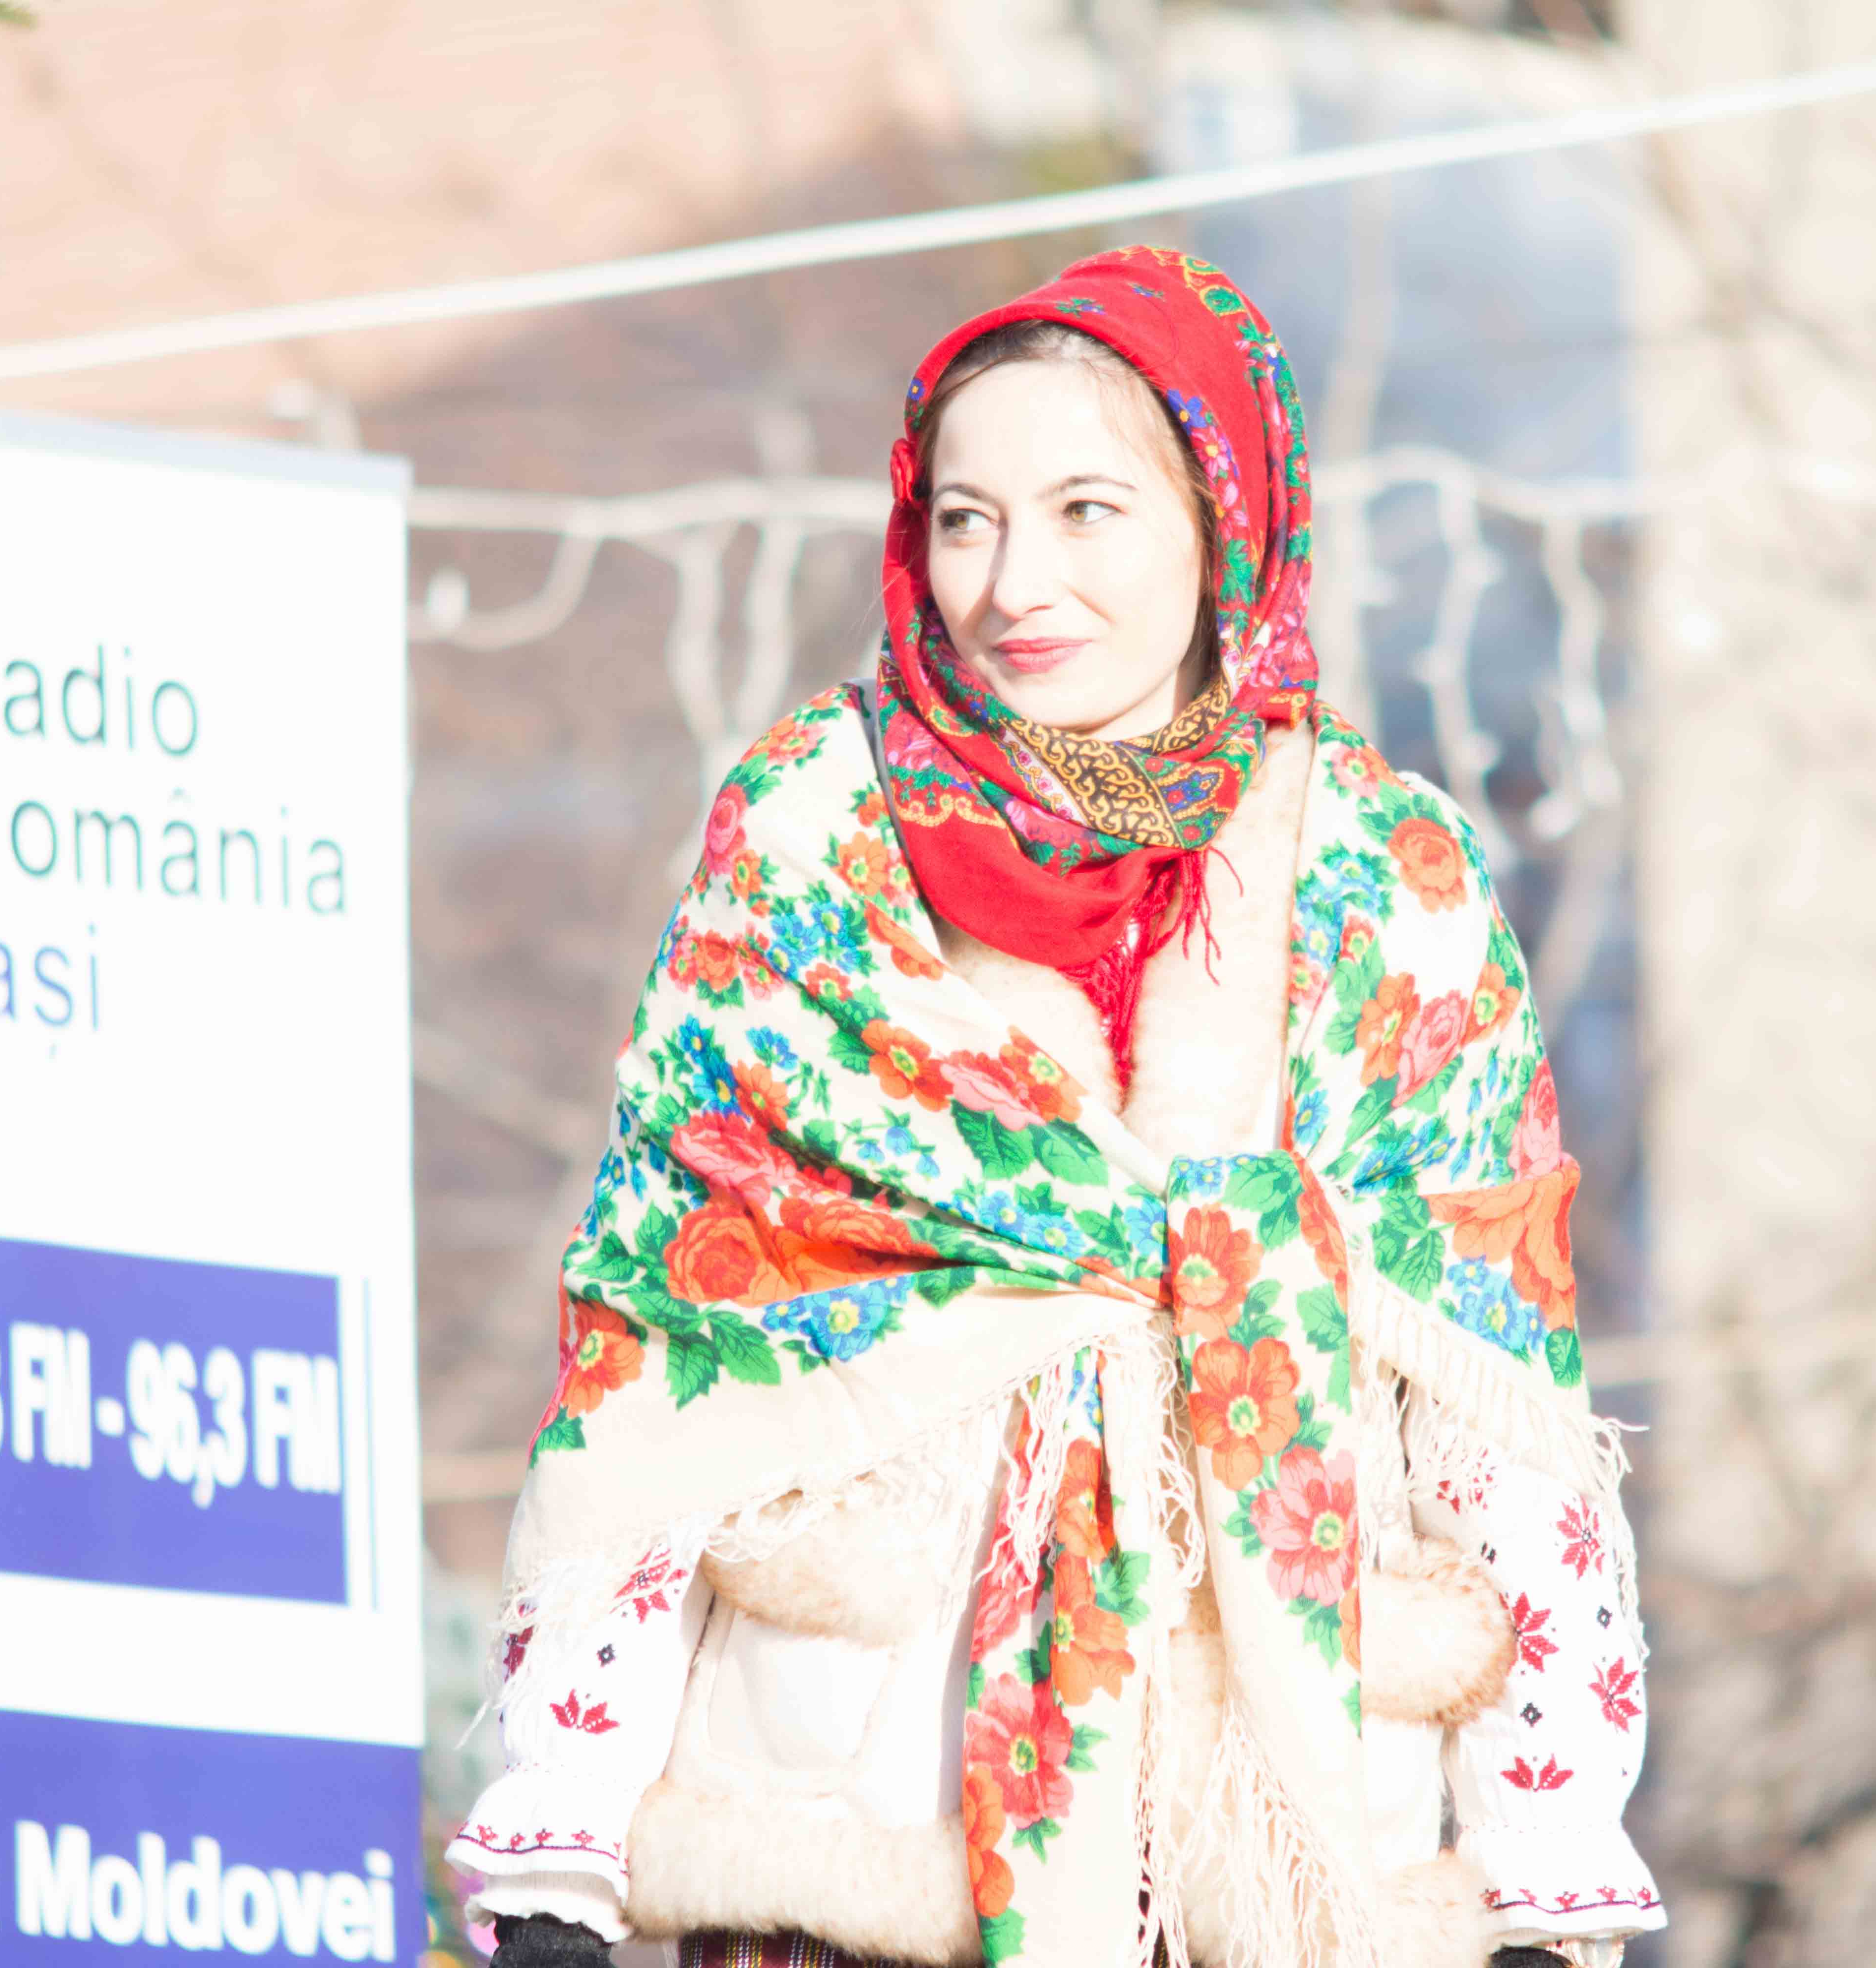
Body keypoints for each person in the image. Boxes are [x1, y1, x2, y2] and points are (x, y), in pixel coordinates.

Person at [450, 246, 1664, 1968]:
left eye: (1089, 510)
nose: (1015, 583)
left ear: (1222, 522)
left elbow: (1494, 1399)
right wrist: (560, 1851)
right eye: (967, 520)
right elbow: (666, 1351)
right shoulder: (816, 843)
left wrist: (1548, 1882)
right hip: (857, 1832)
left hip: (1285, 1872)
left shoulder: (1390, 881)